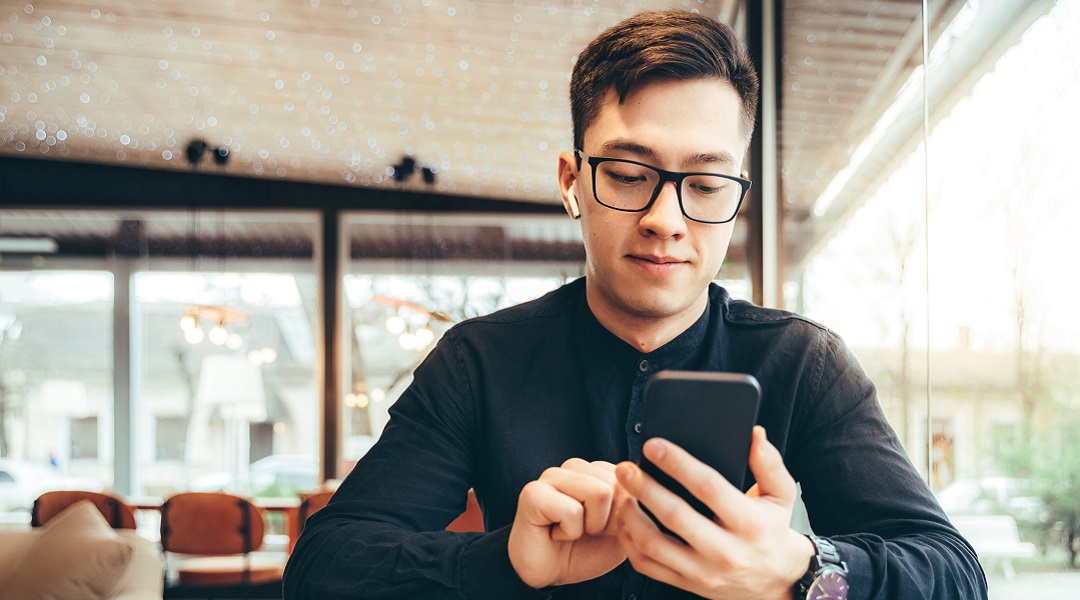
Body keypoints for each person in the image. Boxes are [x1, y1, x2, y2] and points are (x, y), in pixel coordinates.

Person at [284, 10, 987, 599]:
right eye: (627, 174)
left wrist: (803, 570)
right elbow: (321, 567)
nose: (665, 218)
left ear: (736, 198)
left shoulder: (801, 360)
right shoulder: (479, 362)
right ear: (572, 181)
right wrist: (506, 563)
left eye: (706, 186)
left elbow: (955, 574)